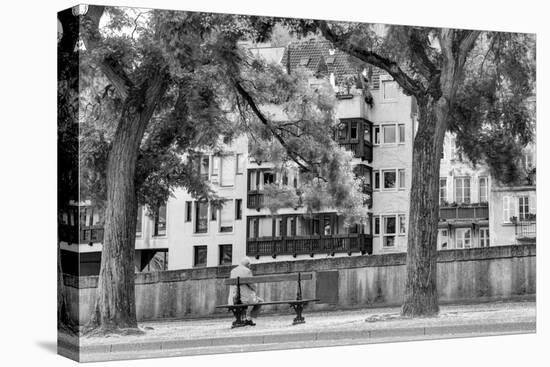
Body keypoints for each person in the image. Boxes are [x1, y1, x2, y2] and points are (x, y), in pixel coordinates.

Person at [228, 257, 263, 326]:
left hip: (232, 299)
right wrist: (255, 288)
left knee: (242, 302)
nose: (250, 267)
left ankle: (238, 319)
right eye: (249, 265)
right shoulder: (247, 271)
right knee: (260, 301)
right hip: (245, 299)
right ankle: (249, 319)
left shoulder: (233, 271)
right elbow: (253, 285)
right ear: (248, 264)